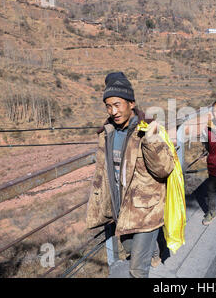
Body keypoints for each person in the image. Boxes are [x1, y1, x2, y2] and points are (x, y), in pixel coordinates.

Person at [86, 72, 174, 278]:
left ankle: (150, 251)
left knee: (136, 270)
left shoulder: (147, 129)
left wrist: (152, 141)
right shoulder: (107, 132)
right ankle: (154, 252)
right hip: (122, 209)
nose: (113, 111)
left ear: (131, 103)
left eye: (117, 104)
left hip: (146, 210)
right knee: (130, 250)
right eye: (108, 106)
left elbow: (164, 169)